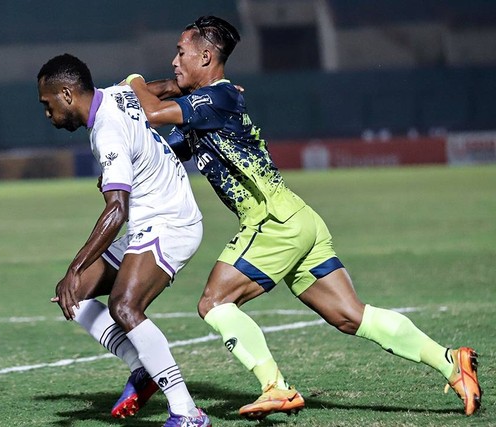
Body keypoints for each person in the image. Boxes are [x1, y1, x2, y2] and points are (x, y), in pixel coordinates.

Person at [124, 15, 482, 419]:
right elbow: (161, 136)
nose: (173, 60)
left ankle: (274, 386)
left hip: (273, 221)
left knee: (214, 302)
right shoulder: (200, 109)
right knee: (351, 316)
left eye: (181, 52)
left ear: (206, 56)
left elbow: (151, 111)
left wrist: (131, 80)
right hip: (298, 220)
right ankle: (451, 361)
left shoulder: (219, 97)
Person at [37, 53, 211, 426]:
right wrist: (210, 88)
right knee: (73, 295)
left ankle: (186, 411)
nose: (48, 115)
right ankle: (142, 367)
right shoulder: (117, 92)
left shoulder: (106, 129)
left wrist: (74, 265)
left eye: (48, 105)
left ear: (66, 94)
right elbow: (166, 87)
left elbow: (117, 211)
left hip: (171, 220)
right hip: (147, 221)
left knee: (125, 306)